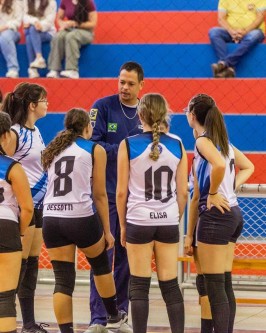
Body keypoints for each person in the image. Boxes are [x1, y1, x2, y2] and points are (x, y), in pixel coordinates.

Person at [41, 108, 129, 333]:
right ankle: (112, 315)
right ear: (87, 128)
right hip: (79, 216)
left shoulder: (53, 149)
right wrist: (108, 231)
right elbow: (99, 194)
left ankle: (66, 330)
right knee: (100, 264)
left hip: (51, 217)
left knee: (62, 279)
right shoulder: (94, 149)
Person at [116, 93, 188, 333]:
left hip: (138, 220)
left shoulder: (128, 144)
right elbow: (183, 193)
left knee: (138, 285)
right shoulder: (177, 144)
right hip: (167, 220)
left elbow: (120, 193)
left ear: (140, 114)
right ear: (165, 114)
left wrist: (124, 227)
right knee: (170, 285)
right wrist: (173, 216)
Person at [184, 93, 254, 333]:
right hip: (233, 213)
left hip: (216, 217)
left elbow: (221, 166)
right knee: (223, 284)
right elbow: (248, 166)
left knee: (214, 287)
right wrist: (229, 187)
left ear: (192, 115)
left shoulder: (203, 141)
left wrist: (214, 192)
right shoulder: (222, 141)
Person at [87, 61, 144, 333]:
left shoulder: (146, 111)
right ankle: (98, 318)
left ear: (141, 86)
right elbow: (92, 143)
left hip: (136, 197)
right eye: (122, 81)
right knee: (102, 255)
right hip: (108, 193)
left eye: (131, 83)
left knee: (126, 258)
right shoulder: (103, 106)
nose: (124, 87)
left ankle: (119, 315)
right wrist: (123, 150)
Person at [1, 82, 49, 333]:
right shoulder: (15, 133)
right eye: (44, 100)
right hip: (21, 207)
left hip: (38, 206)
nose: (47, 104)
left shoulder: (36, 130)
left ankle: (28, 323)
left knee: (31, 266)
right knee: (17, 267)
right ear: (32, 105)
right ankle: (8, 316)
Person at [0, 112, 33, 333]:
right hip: (6, 226)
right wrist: (20, 233)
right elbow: (27, 208)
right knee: (5, 297)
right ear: (4, 136)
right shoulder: (12, 167)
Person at [209, 0, 265, 78]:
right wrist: (232, 32)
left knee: (255, 35)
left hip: (252, 31)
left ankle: (225, 63)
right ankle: (227, 68)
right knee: (214, 32)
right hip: (231, 31)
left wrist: (244, 32)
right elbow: (221, 19)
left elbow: (260, 17)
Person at [46, 0, 97, 79]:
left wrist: (76, 23)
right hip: (70, 28)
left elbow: (93, 23)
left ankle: (72, 70)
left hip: (85, 31)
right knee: (58, 36)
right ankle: (54, 69)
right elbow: (59, 18)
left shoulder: (88, 2)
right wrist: (62, 25)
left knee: (71, 36)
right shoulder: (65, 1)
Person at [23, 0, 57, 78]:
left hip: (48, 32)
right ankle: (38, 61)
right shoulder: (26, 1)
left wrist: (40, 25)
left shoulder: (51, 2)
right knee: (29, 35)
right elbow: (25, 16)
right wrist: (35, 22)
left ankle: (35, 64)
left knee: (31, 31)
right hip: (33, 29)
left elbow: (50, 21)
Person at [0, 0, 23, 78]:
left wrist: (4, 27)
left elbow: (18, 22)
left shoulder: (16, 2)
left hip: (12, 31)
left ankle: (13, 68)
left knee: (5, 37)